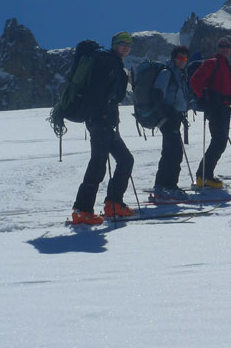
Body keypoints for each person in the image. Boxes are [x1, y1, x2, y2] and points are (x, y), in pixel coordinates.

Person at [71, 31, 136, 224]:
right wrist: (103, 114)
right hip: (100, 122)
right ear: (114, 45)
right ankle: (82, 210)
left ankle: (113, 203)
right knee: (98, 164)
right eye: (121, 43)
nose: (125, 46)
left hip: (105, 123)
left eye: (128, 44)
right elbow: (97, 92)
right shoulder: (107, 62)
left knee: (125, 160)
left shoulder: (113, 63)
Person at [189, 36, 231, 188]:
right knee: (219, 142)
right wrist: (204, 98)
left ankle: (204, 176)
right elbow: (194, 81)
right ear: (218, 48)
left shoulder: (228, 67)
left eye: (227, 46)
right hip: (215, 108)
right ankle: (204, 176)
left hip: (224, 108)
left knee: (220, 142)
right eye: (221, 46)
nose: (224, 48)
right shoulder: (212, 63)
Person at [151, 45, 192, 200]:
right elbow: (157, 94)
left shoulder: (180, 75)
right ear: (174, 58)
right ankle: (169, 186)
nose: (182, 61)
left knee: (169, 152)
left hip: (174, 118)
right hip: (167, 118)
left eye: (185, 58)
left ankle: (161, 186)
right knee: (175, 152)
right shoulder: (167, 73)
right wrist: (167, 114)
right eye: (179, 58)